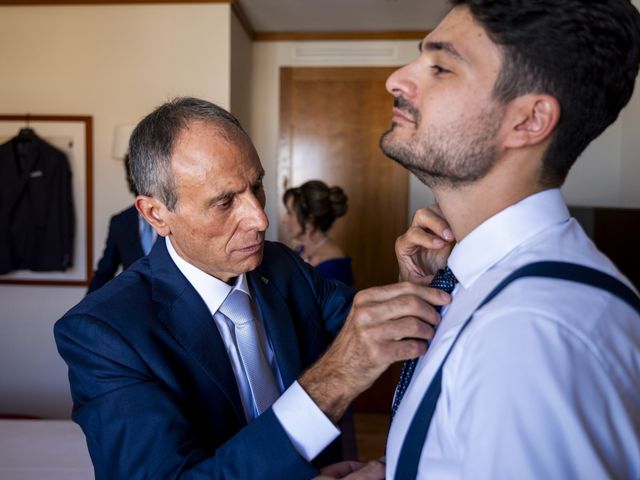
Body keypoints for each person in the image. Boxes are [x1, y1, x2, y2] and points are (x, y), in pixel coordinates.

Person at [54, 97, 449, 479]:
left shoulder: (283, 266)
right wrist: (335, 380)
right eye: (225, 202)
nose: (260, 218)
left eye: (256, 187)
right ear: (157, 214)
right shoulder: (104, 333)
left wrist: (411, 282)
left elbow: (370, 334)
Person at [361, 0, 640, 478]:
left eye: (441, 67)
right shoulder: (468, 279)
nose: (397, 80)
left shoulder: (530, 332)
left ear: (529, 121)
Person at [87, 155, 157, 293]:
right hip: (134, 305)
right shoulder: (120, 222)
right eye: (134, 173)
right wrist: (82, 310)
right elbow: (104, 273)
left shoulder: (176, 217)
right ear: (129, 178)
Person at [282, 180, 354, 286]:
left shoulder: (335, 266)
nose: (284, 219)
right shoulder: (300, 249)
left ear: (309, 221)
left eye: (289, 212)